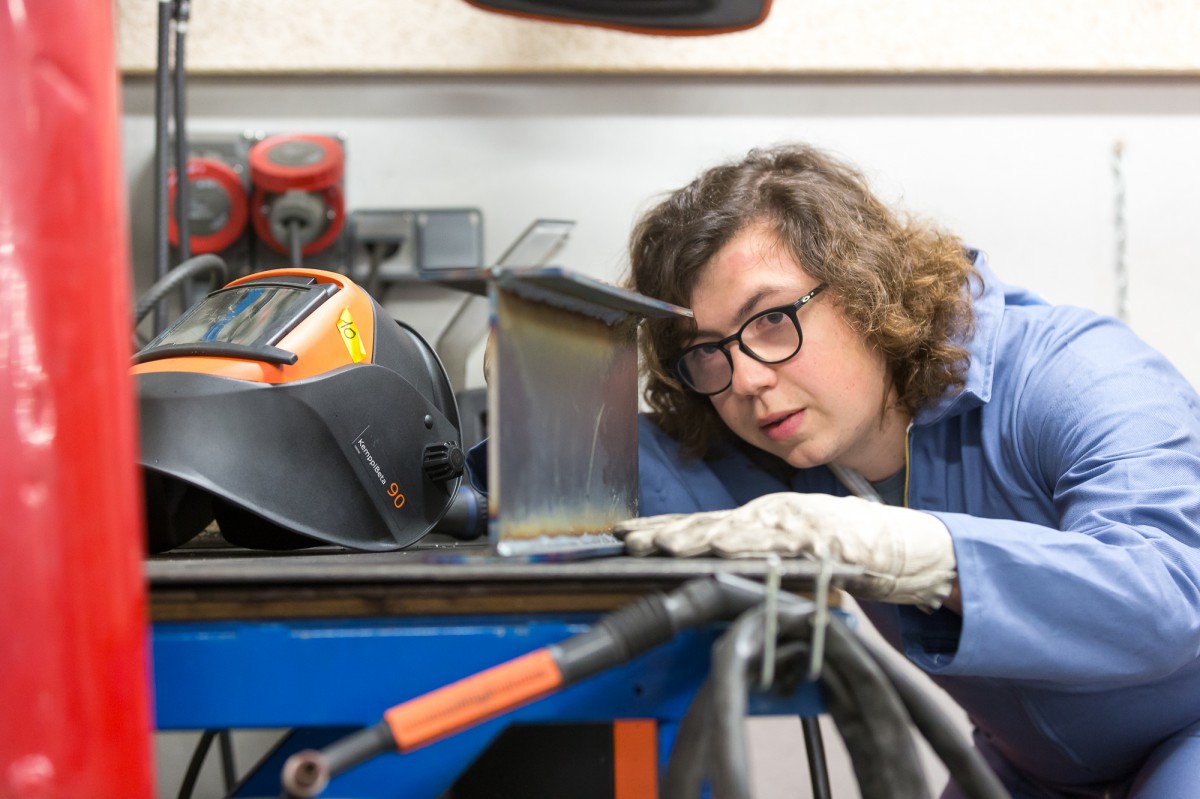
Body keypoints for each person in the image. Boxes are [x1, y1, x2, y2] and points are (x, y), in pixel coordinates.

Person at [615, 142, 1200, 798]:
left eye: (773, 319)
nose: (746, 378)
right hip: (1033, 768)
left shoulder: (1076, 374)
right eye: (707, 352)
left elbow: (1169, 594)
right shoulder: (798, 456)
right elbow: (620, 465)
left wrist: (918, 552)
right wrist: (536, 379)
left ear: (865, 283)